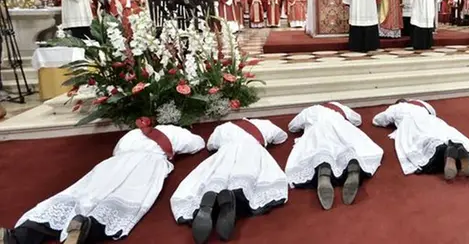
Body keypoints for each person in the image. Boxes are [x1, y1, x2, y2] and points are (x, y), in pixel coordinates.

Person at [1, 124, 204, 244]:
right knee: (123, 203)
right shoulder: (177, 132)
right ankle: (87, 226)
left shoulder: (133, 133)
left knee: (81, 193)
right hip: (147, 166)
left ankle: (20, 235)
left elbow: (118, 150)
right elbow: (197, 144)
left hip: (111, 166)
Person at [171, 119, 288, 244]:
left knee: (215, 176)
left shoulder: (222, 128)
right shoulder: (265, 124)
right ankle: (235, 197)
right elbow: (281, 137)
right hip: (253, 151)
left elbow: (211, 145)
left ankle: (211, 197)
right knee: (249, 178)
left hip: (225, 152)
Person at [285, 101, 383, 210]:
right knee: (347, 146)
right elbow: (357, 119)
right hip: (341, 126)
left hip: (318, 128)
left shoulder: (310, 111)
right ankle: (353, 165)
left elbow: (292, 126)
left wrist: (304, 125)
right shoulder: (339, 107)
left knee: (320, 150)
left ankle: (324, 171)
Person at [372, 99, 469, 180]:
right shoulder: (421, 104)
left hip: (410, 123)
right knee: (445, 134)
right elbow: (433, 112)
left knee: (421, 141)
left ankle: (446, 152)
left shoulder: (397, 107)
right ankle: (457, 148)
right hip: (432, 120)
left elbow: (379, 120)